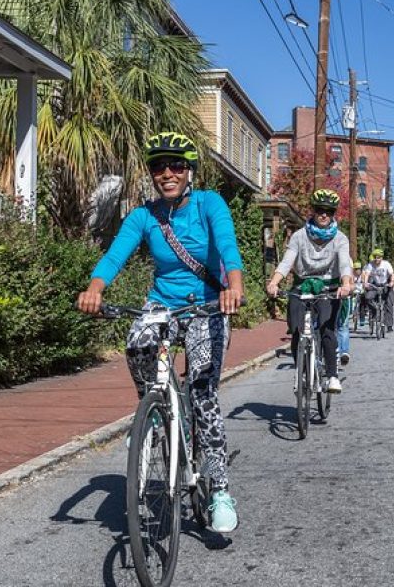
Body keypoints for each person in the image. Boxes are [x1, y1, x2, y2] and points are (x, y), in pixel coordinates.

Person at [76, 132, 242, 533]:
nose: (166, 173)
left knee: (202, 393)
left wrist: (234, 286)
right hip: (162, 304)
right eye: (158, 167)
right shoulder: (144, 216)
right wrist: (95, 288)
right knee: (136, 345)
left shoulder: (209, 204)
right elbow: (116, 253)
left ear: (189, 171)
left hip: (206, 305)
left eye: (176, 166)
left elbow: (227, 245)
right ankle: (152, 412)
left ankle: (218, 489)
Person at [266, 189, 353, 394]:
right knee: (296, 329)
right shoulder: (299, 236)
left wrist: (346, 284)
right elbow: (287, 261)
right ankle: (302, 372)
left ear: (333, 214)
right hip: (302, 285)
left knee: (327, 329)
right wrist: (274, 282)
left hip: (329, 287)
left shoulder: (340, 238)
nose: (324, 215)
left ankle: (332, 376)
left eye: (329, 211)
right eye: (319, 210)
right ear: (313, 211)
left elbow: (344, 266)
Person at [362, 248, 394, 332]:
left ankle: (389, 325)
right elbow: (366, 274)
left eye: (379, 257)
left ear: (381, 257)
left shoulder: (386, 264)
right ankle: (374, 311)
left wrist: (391, 282)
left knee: (389, 304)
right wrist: (365, 283)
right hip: (375, 285)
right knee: (368, 297)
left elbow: (392, 274)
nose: (377, 259)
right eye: (375, 257)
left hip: (386, 285)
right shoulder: (371, 264)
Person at [337, 260, 362, 366]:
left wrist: (347, 288)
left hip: (343, 300)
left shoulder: (346, 259)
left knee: (342, 326)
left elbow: (351, 284)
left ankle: (344, 352)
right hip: (326, 298)